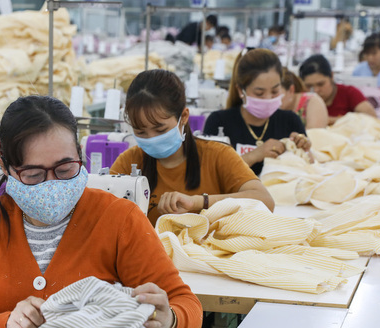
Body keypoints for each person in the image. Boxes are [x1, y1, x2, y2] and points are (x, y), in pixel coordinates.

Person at [0, 95, 203, 328]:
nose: (52, 185)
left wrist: (168, 320)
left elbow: (186, 306)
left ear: (80, 154)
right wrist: (7, 323)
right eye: (33, 175)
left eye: (65, 169)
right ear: (4, 168)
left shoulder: (120, 219)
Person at [110, 69, 273, 226]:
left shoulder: (217, 155)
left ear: (184, 117)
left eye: (161, 130)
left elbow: (265, 201)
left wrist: (198, 202)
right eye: (140, 132)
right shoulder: (128, 162)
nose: (152, 138)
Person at [203, 49, 311, 176]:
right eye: (259, 93)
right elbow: (209, 174)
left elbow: (308, 170)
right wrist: (254, 156)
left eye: (275, 91)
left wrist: (304, 150)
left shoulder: (290, 121)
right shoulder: (219, 123)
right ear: (241, 91)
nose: (268, 98)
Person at [299, 54, 377, 126]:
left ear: (332, 76)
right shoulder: (300, 99)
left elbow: (372, 119)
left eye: (321, 84)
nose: (315, 90)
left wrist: (332, 120)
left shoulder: (349, 93)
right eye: (309, 86)